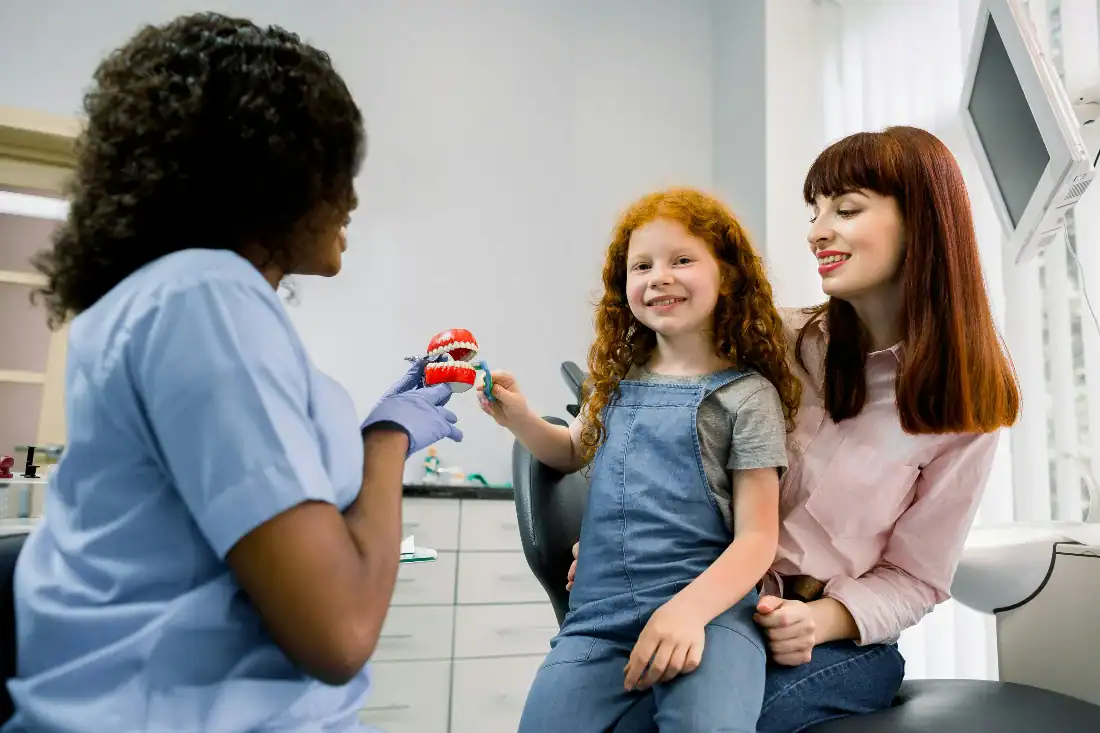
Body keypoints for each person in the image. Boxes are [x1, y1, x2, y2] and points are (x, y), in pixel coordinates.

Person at [2, 13, 461, 733]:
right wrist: (386, 441)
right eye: (337, 167)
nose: (351, 198)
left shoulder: (175, 300)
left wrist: (374, 430)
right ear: (270, 167)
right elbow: (340, 631)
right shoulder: (202, 297)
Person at [562, 126, 1021, 732]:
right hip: (703, 600)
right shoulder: (768, 341)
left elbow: (916, 576)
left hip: (829, 644)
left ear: (923, 223)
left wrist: (823, 620)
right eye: (815, 212)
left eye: (845, 210)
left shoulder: (967, 403)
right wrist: (618, 536)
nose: (816, 232)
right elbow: (653, 434)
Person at [478, 188, 802, 732]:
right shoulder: (613, 383)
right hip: (598, 621)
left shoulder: (748, 398)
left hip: (711, 614)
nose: (659, 277)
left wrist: (687, 611)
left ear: (727, 275)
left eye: (682, 260)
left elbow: (757, 538)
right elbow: (571, 451)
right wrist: (519, 418)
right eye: (642, 266)